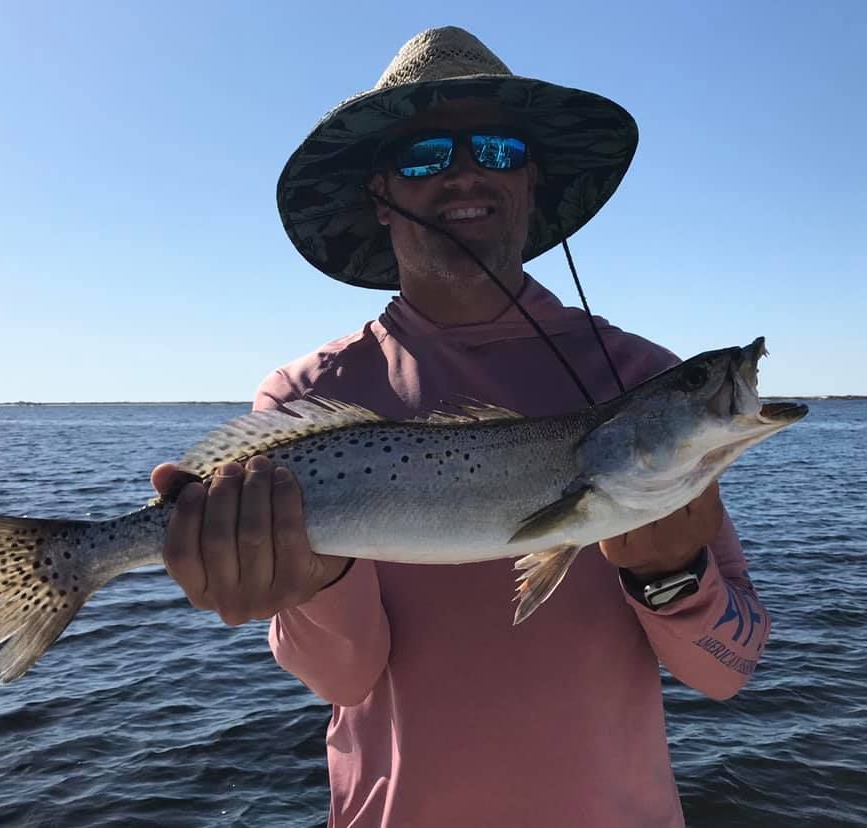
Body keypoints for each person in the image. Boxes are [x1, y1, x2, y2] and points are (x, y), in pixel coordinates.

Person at [153, 27, 770, 827]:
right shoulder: (308, 393)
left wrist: (670, 573)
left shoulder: (646, 384)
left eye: (497, 148)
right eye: (425, 155)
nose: (466, 172)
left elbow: (729, 669)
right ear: (381, 194)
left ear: (532, 177)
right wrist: (309, 586)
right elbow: (345, 679)